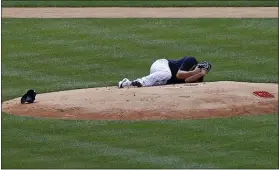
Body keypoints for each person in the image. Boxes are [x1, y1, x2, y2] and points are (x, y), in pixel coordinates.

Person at [118, 56, 212, 88]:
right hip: (161, 65)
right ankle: (140, 81)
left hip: (163, 78)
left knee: (152, 86)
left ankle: (126, 83)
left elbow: (187, 81)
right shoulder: (191, 60)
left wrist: (201, 73)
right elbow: (179, 75)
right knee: (167, 74)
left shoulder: (196, 75)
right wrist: (194, 72)